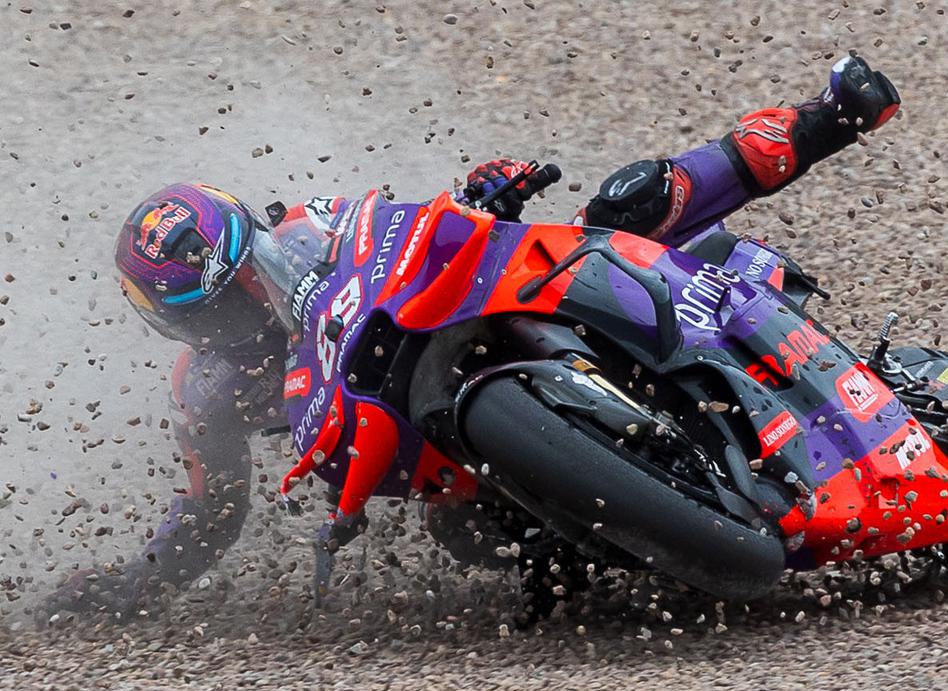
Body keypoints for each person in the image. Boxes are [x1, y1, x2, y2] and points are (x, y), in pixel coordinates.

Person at [44, 55, 899, 617]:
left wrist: (477, 197)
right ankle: (649, 520)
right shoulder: (205, 397)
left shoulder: (314, 224)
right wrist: (126, 588)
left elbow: (412, 239)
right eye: (214, 309)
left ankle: (820, 120)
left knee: (615, 213)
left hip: (481, 334)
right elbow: (208, 518)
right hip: (447, 461)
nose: (243, 307)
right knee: (478, 544)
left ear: (254, 234)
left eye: (242, 277)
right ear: (176, 325)